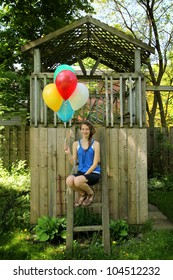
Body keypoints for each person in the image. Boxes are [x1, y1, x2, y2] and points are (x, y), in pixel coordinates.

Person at [64, 121, 101, 207]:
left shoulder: (96, 144)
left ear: (90, 130)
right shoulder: (76, 144)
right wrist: (68, 153)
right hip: (81, 173)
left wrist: (85, 175)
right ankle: (83, 194)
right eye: (83, 129)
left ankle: (91, 193)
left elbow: (95, 163)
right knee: (69, 181)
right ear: (80, 130)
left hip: (93, 173)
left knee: (77, 181)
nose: (85, 131)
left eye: (87, 129)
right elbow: (73, 162)